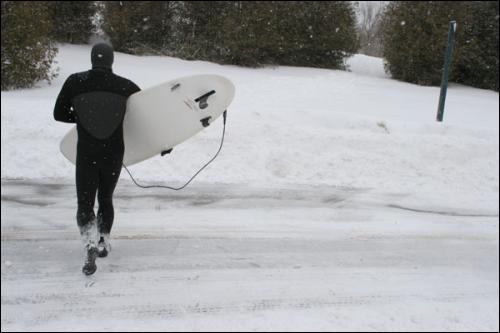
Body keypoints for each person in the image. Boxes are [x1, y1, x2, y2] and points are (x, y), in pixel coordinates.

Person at [54, 43, 140, 275]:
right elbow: (142, 116)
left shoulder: (75, 81)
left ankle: (89, 243)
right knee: (105, 197)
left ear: (92, 59)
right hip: (113, 153)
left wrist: (82, 117)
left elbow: (59, 114)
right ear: (112, 61)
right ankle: (103, 240)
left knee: (85, 201)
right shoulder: (126, 86)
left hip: (87, 152)